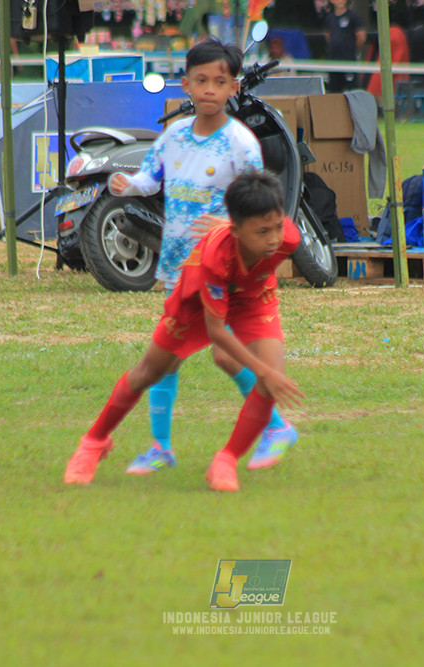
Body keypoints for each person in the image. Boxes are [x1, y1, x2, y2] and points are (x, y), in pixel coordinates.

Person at [106, 39, 299, 476]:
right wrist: (128, 184)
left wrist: (223, 227)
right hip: (179, 265)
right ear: (185, 84)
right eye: (201, 81)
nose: (209, 89)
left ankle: (275, 425)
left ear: (233, 87)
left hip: (224, 269)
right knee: (168, 358)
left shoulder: (241, 143)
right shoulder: (173, 136)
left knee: (225, 355)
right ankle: (160, 447)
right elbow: (151, 178)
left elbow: (260, 205)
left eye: (220, 81)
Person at [64, 171, 304, 492]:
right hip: (195, 305)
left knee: (271, 380)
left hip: (253, 299)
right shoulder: (214, 258)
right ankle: (93, 443)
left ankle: (226, 460)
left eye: (276, 227)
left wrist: (267, 375)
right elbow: (216, 331)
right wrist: (262, 371)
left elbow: (271, 232)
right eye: (262, 232)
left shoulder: (287, 239)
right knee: (147, 374)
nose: (273, 239)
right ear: (235, 230)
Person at [323, 0, 366, 93]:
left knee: (352, 90)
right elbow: (328, 36)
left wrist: (352, 50)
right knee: (334, 91)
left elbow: (361, 37)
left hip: (348, 60)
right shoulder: (329, 18)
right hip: (333, 61)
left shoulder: (353, 16)